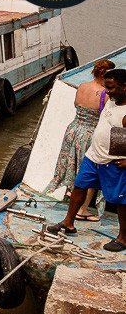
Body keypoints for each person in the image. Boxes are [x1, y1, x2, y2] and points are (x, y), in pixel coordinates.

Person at [48, 68, 126, 251]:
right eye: (106, 87)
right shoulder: (113, 100)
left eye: (111, 88)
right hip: (93, 156)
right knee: (79, 186)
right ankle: (68, 223)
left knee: (121, 200)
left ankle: (123, 238)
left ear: (124, 87)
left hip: (113, 162)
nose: (107, 92)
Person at [46, 59, 115, 219]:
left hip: (73, 129)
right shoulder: (105, 94)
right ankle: (82, 210)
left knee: (73, 165)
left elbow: (77, 103)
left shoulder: (82, 86)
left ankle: (70, 195)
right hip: (90, 134)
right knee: (90, 172)